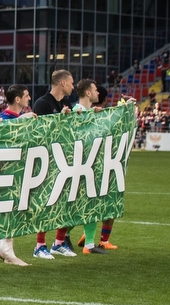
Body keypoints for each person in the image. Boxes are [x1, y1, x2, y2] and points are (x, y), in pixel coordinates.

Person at [33, 70, 78, 258]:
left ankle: (58, 243)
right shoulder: (42, 103)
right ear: (62, 83)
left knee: (67, 199)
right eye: (71, 83)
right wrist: (60, 117)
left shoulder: (65, 103)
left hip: (65, 159)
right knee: (46, 202)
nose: (73, 86)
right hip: (48, 159)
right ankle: (39, 246)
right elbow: (41, 132)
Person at [70, 79, 115, 255]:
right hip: (78, 166)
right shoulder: (76, 112)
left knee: (90, 204)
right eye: (95, 90)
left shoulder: (90, 113)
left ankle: (88, 244)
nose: (98, 93)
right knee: (77, 207)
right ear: (88, 93)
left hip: (89, 165)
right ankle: (62, 240)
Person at [0, 85, 40, 261]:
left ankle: (0, 246)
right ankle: (7, 250)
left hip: (15, 168)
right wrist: (22, 119)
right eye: (27, 95)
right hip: (8, 170)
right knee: (11, 208)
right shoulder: (5, 118)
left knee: (10, 208)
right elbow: (4, 134)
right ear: (18, 99)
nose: (29, 98)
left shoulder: (15, 117)